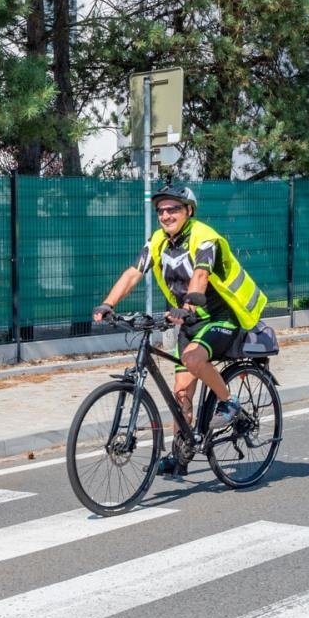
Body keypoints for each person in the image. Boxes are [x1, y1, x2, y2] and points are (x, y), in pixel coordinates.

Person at [93, 183, 269, 475]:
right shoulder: (157, 241)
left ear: (189, 210)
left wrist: (188, 305)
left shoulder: (204, 237)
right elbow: (134, 272)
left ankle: (230, 403)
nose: (165, 215)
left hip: (220, 318)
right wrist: (107, 304)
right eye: (161, 210)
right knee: (181, 394)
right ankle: (180, 456)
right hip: (188, 322)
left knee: (192, 359)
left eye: (173, 209)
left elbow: (201, 274)